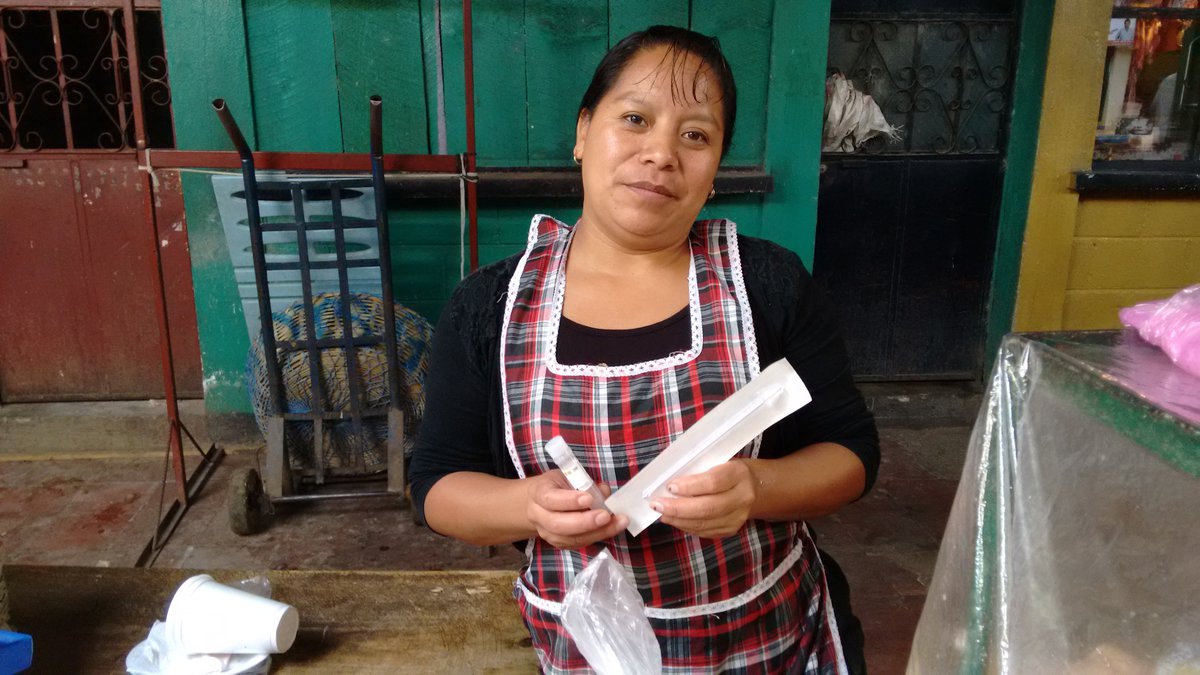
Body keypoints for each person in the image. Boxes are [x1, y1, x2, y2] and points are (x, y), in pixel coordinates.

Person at [409, 25, 880, 674]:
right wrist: (528, 507)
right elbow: (437, 484)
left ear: (714, 170)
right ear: (582, 133)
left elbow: (852, 452)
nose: (661, 153)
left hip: (767, 640)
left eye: (696, 135)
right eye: (635, 118)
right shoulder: (489, 307)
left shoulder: (767, 286)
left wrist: (756, 486)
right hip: (588, 649)